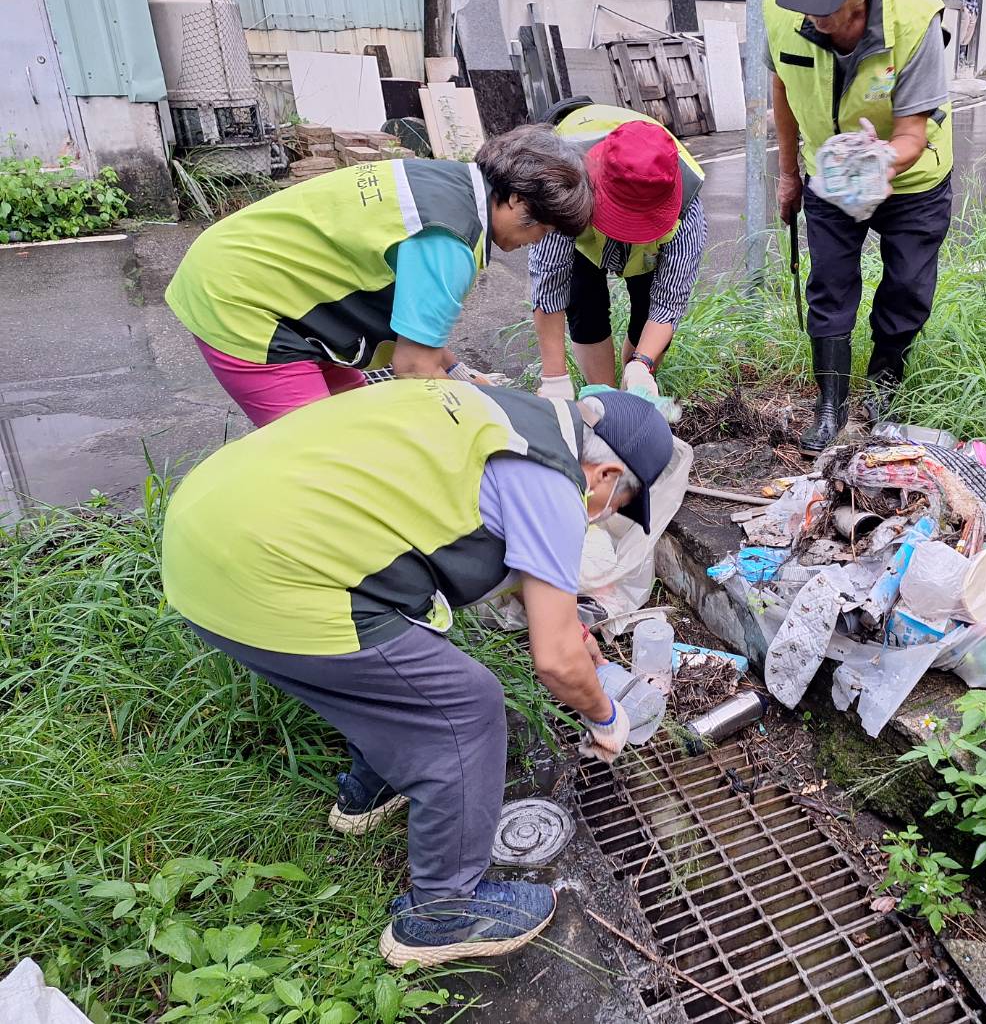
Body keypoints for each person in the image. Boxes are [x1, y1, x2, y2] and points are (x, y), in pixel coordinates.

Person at [162, 378, 673, 965]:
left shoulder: (501, 413)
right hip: (265, 570)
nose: (603, 518)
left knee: (399, 665)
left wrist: (572, 632)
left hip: (208, 530)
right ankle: (444, 911)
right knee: (465, 707)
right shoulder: (553, 482)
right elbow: (555, 661)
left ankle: (371, 789)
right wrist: (604, 715)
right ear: (605, 477)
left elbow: (492, 558)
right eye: (619, 509)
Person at [166, 125, 593, 427]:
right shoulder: (449, 241)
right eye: (543, 228)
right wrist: (497, 422)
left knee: (362, 421)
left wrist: (462, 373)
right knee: (323, 454)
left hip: (256, 269)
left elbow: (416, 331)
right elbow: (412, 366)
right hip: (244, 300)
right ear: (518, 199)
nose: (536, 242)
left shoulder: (448, 183)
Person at [765, 0, 954, 453]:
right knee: (829, 281)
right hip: (829, 168)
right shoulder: (780, 6)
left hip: (910, 174)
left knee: (908, 286)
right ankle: (831, 406)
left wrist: (878, 158)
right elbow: (784, 87)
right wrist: (787, 174)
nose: (812, 13)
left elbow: (915, 133)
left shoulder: (916, 19)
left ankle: (884, 383)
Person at [527, 103, 707, 403]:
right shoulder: (562, 181)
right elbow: (549, 285)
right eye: (622, 220)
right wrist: (554, 377)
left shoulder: (686, 210)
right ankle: (605, 397)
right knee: (583, 301)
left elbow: (667, 305)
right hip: (581, 219)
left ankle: (629, 396)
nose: (627, 234)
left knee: (646, 310)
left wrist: (642, 366)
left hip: (649, 252)